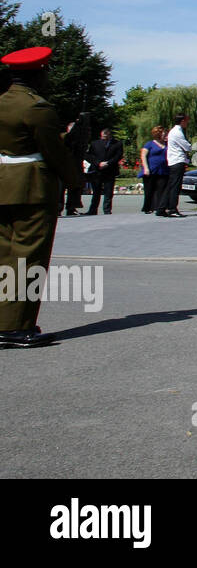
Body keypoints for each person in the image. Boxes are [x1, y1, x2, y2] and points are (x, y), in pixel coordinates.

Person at [0, 46, 80, 347]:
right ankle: (17, 327)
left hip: (3, 184)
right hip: (31, 188)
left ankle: (3, 321)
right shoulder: (37, 107)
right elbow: (52, 151)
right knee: (29, 257)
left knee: (5, 257)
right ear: (38, 73)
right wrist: (73, 180)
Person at [157, 114, 192, 217]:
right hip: (178, 160)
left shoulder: (174, 131)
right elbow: (186, 146)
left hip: (174, 161)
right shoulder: (177, 132)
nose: (187, 123)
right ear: (182, 121)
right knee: (175, 186)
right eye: (186, 121)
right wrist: (189, 146)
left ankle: (162, 208)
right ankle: (172, 208)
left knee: (171, 185)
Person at [85, 127, 124, 215]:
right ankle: (93, 210)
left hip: (110, 170)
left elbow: (118, 156)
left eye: (106, 136)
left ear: (110, 135)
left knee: (108, 192)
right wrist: (98, 163)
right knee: (96, 192)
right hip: (97, 170)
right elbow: (89, 155)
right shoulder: (95, 143)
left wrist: (108, 163)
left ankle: (107, 210)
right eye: (103, 136)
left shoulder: (117, 144)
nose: (104, 138)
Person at [139, 126, 167, 212]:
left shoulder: (166, 144)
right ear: (158, 134)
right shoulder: (150, 144)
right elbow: (143, 155)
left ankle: (159, 207)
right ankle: (147, 207)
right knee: (149, 190)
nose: (165, 135)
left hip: (163, 170)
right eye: (163, 134)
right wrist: (146, 168)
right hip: (151, 169)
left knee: (161, 189)